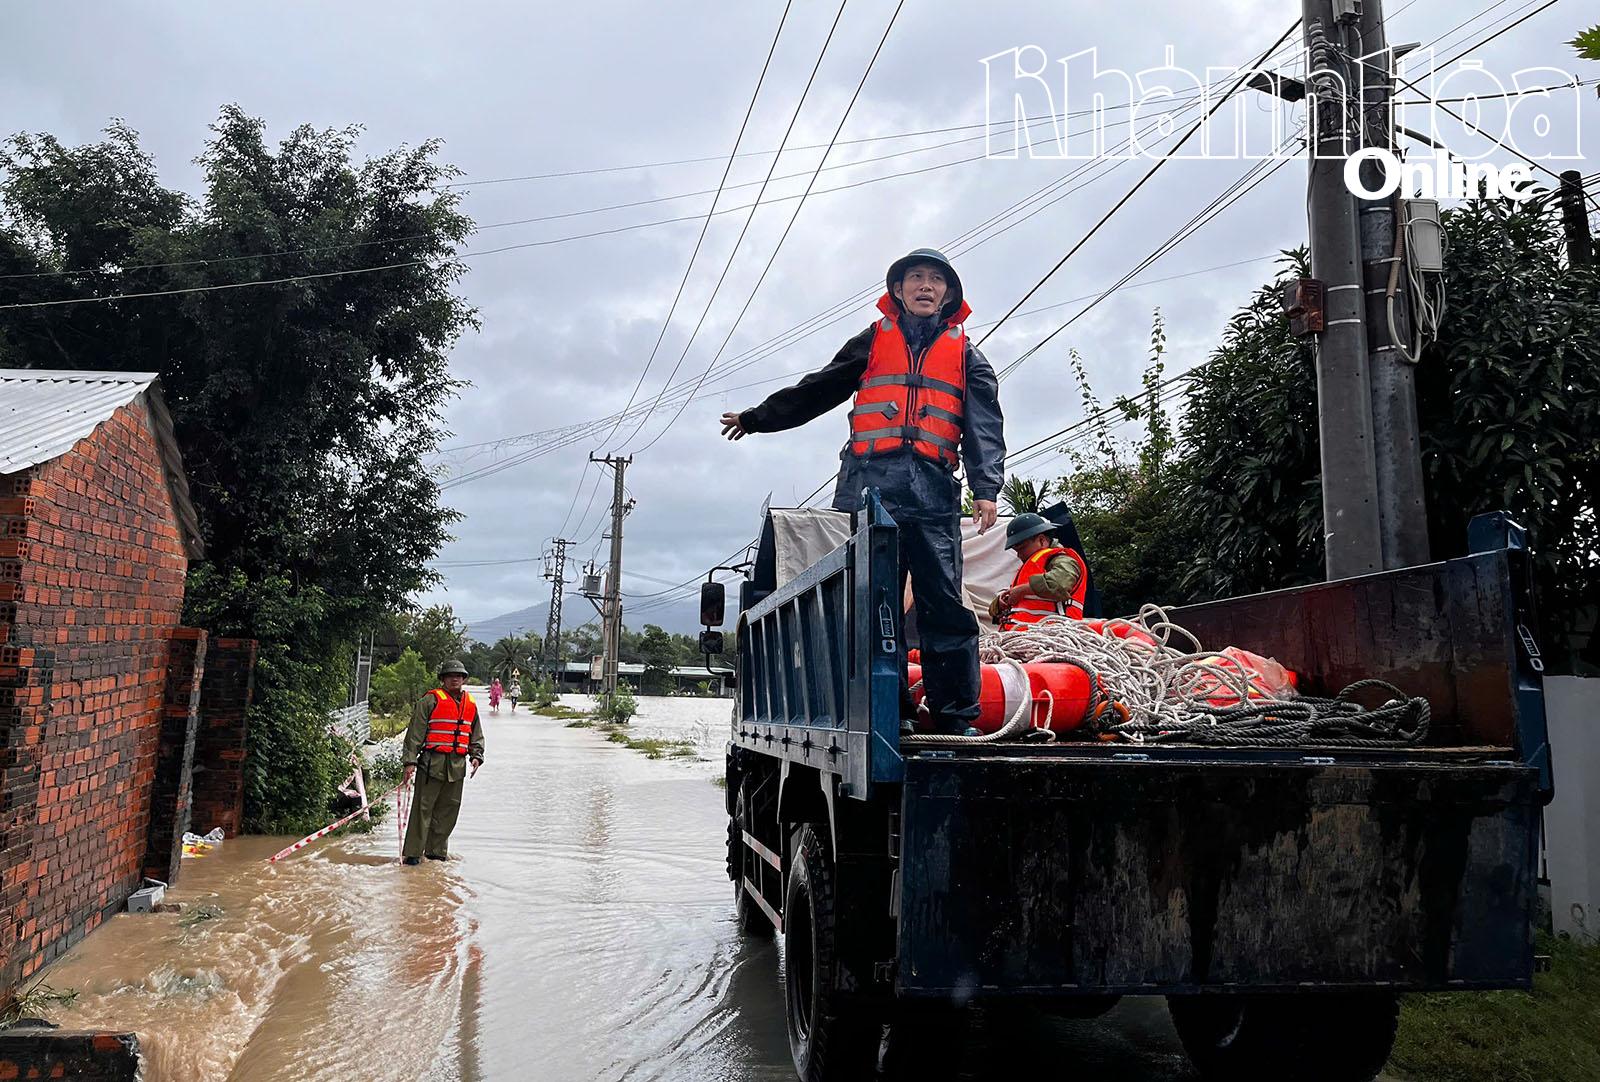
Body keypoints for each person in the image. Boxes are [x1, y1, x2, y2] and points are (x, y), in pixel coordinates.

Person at [721, 248, 1005, 735]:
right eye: (915, 277)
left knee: (945, 605)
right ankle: (888, 712)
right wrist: (757, 419)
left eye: (935, 280)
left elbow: (984, 425)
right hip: (870, 488)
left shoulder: (967, 356)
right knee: (875, 605)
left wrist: (986, 487)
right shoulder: (872, 341)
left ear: (949, 295)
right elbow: (820, 388)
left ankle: (956, 715)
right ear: (897, 290)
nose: (925, 286)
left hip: (934, 492)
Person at [401, 659, 484, 865]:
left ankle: (436, 854)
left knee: (449, 810)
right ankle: (413, 855)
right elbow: (415, 734)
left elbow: (476, 734)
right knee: (423, 809)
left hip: (457, 767)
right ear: (443, 679)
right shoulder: (429, 701)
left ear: (464, 679)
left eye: (459, 675)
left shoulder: (470, 704)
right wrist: (410, 762)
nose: (455, 678)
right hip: (431, 764)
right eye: (450, 675)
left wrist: (476, 756)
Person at [990, 512, 1088, 630]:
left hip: (1052, 636)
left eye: (1021, 548)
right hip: (1019, 638)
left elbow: (1060, 584)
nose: (1019, 555)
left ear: (1041, 540)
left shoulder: (1063, 560)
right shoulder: (1031, 568)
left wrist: (1022, 590)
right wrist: (999, 603)